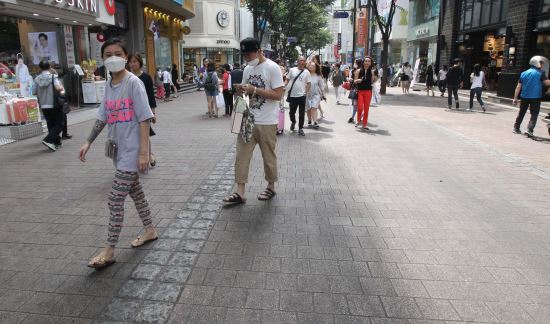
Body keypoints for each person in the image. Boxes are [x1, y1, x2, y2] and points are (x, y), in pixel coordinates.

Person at [78, 38, 157, 269]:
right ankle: (150, 230)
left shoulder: (134, 83)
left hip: (132, 153)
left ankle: (109, 250)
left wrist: (143, 153)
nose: (113, 57)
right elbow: (102, 117)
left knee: (114, 199)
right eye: (108, 54)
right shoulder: (109, 85)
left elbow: (145, 118)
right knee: (136, 193)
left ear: (126, 56)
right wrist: (88, 142)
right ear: (103, 59)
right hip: (118, 151)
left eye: (118, 53)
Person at [222, 38, 284, 205]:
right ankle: (240, 192)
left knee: (268, 156)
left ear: (259, 51)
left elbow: (278, 95)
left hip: (267, 121)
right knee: (241, 156)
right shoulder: (248, 69)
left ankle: (271, 187)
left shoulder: (272, 68)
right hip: (248, 120)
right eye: (244, 55)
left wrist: (255, 89)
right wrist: (240, 91)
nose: (246, 58)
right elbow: (245, 95)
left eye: (248, 54)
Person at [128, 53, 158, 166]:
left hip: (144, 111)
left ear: (140, 62)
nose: (132, 64)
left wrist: (153, 112)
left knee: (144, 134)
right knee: (133, 135)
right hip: (130, 111)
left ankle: (149, 154)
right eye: (130, 62)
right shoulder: (127, 77)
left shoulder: (146, 77)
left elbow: (151, 96)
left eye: (135, 61)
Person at [513, 56, 550, 137]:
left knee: (521, 113)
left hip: (524, 96)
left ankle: (516, 128)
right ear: (537, 63)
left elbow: (518, 86)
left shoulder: (523, 73)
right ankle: (529, 130)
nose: (542, 65)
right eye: (541, 63)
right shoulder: (541, 73)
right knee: (534, 114)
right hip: (535, 97)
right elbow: (546, 83)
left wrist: (515, 98)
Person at [33, 59, 65, 151]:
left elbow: (34, 92)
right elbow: (59, 88)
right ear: (50, 67)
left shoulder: (36, 79)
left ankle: (56, 142)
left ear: (40, 68)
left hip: (43, 105)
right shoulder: (53, 77)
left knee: (51, 124)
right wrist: (62, 87)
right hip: (54, 104)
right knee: (59, 123)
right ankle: (48, 139)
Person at [285, 56, 311, 136]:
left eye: (303, 60)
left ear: (305, 62)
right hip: (292, 95)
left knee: (302, 113)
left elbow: (309, 83)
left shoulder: (307, 72)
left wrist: (305, 92)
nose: (302, 62)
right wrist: (284, 86)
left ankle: (300, 128)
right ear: (298, 61)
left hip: (302, 96)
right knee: (291, 112)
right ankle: (293, 121)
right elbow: (287, 79)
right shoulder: (292, 70)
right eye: (301, 60)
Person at [353, 56, 378, 131]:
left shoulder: (372, 71)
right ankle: (358, 120)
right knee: (360, 107)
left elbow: (373, 81)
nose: (367, 62)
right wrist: (358, 80)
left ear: (370, 63)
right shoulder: (358, 71)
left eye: (368, 61)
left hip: (368, 92)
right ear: (363, 62)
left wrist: (376, 78)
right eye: (366, 61)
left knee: (366, 109)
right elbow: (354, 81)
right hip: (360, 91)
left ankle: (364, 124)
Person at [306, 62, 324, 129]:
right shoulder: (306, 74)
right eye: (310, 65)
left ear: (316, 67)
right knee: (308, 108)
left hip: (316, 94)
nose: (311, 66)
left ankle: (315, 121)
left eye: (313, 66)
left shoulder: (318, 76)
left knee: (314, 108)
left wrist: (323, 94)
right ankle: (309, 120)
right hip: (307, 94)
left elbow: (321, 86)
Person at [348, 59, 361, 124]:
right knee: (355, 104)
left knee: (356, 104)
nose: (354, 64)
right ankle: (355, 117)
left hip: (358, 89)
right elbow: (351, 79)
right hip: (354, 88)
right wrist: (350, 79)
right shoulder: (353, 70)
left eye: (355, 62)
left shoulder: (361, 70)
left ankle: (353, 117)